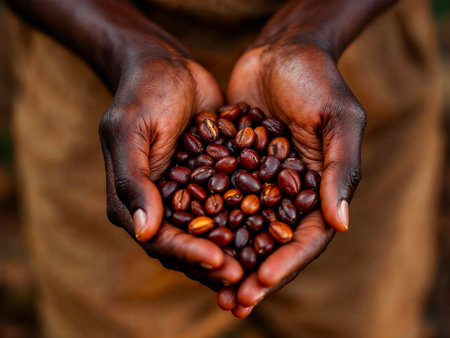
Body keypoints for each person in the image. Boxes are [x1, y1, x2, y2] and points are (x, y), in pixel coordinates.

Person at [5, 0, 442, 337]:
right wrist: (125, 50)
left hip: (348, 55)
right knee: (108, 316)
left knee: (366, 311)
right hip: (103, 68)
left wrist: (311, 31)